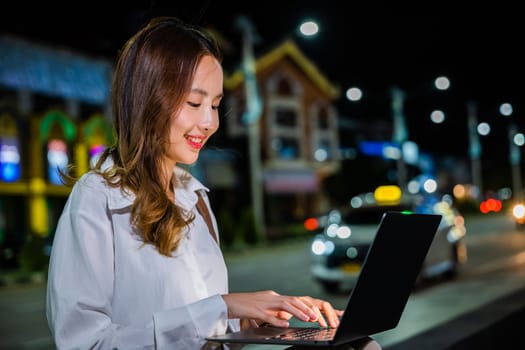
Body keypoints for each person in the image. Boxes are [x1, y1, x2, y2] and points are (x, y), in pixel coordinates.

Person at [46, 16, 343, 349]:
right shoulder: (97, 197)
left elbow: (210, 334)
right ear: (147, 99)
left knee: (357, 345)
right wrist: (224, 306)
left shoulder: (195, 197)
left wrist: (255, 319)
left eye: (215, 105)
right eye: (194, 103)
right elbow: (83, 343)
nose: (209, 122)